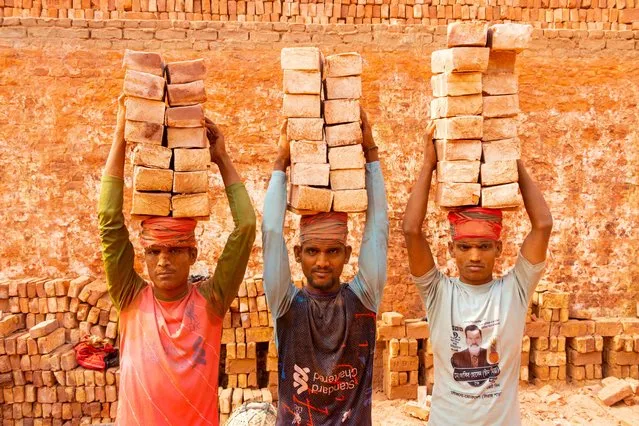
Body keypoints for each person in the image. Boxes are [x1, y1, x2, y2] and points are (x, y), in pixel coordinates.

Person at [99, 95, 256, 425]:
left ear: (192, 254)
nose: (163, 261)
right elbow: (109, 220)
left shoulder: (211, 301)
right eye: (154, 252)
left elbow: (245, 228)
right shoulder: (129, 297)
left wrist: (222, 159)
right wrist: (119, 139)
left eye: (174, 251)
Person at [402, 122, 553, 425]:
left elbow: (543, 225)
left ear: (498, 249)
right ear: (451, 250)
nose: (474, 256)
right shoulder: (438, 293)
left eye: (484, 246)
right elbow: (410, 230)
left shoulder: (515, 290)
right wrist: (428, 165)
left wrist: (512, 161)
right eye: (465, 246)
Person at [262, 111, 389, 425]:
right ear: (297, 254)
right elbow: (271, 233)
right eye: (312, 251)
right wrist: (281, 162)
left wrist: (370, 153)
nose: (322, 261)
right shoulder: (286, 305)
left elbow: (378, 229)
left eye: (332, 251)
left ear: (347, 254)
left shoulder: (364, 299)